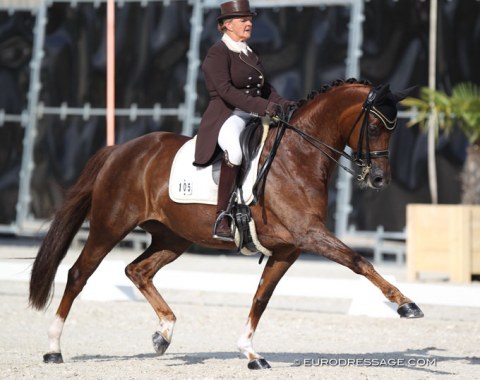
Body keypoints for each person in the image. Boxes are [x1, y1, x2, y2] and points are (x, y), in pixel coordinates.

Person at [193, 0, 295, 242]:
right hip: (228, 115)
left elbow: (265, 88)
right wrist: (265, 107)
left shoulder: (250, 52)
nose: (249, 23)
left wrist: (286, 104)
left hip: (254, 114)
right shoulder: (218, 53)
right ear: (227, 25)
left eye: (250, 19)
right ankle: (222, 215)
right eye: (243, 19)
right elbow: (226, 91)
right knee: (236, 153)